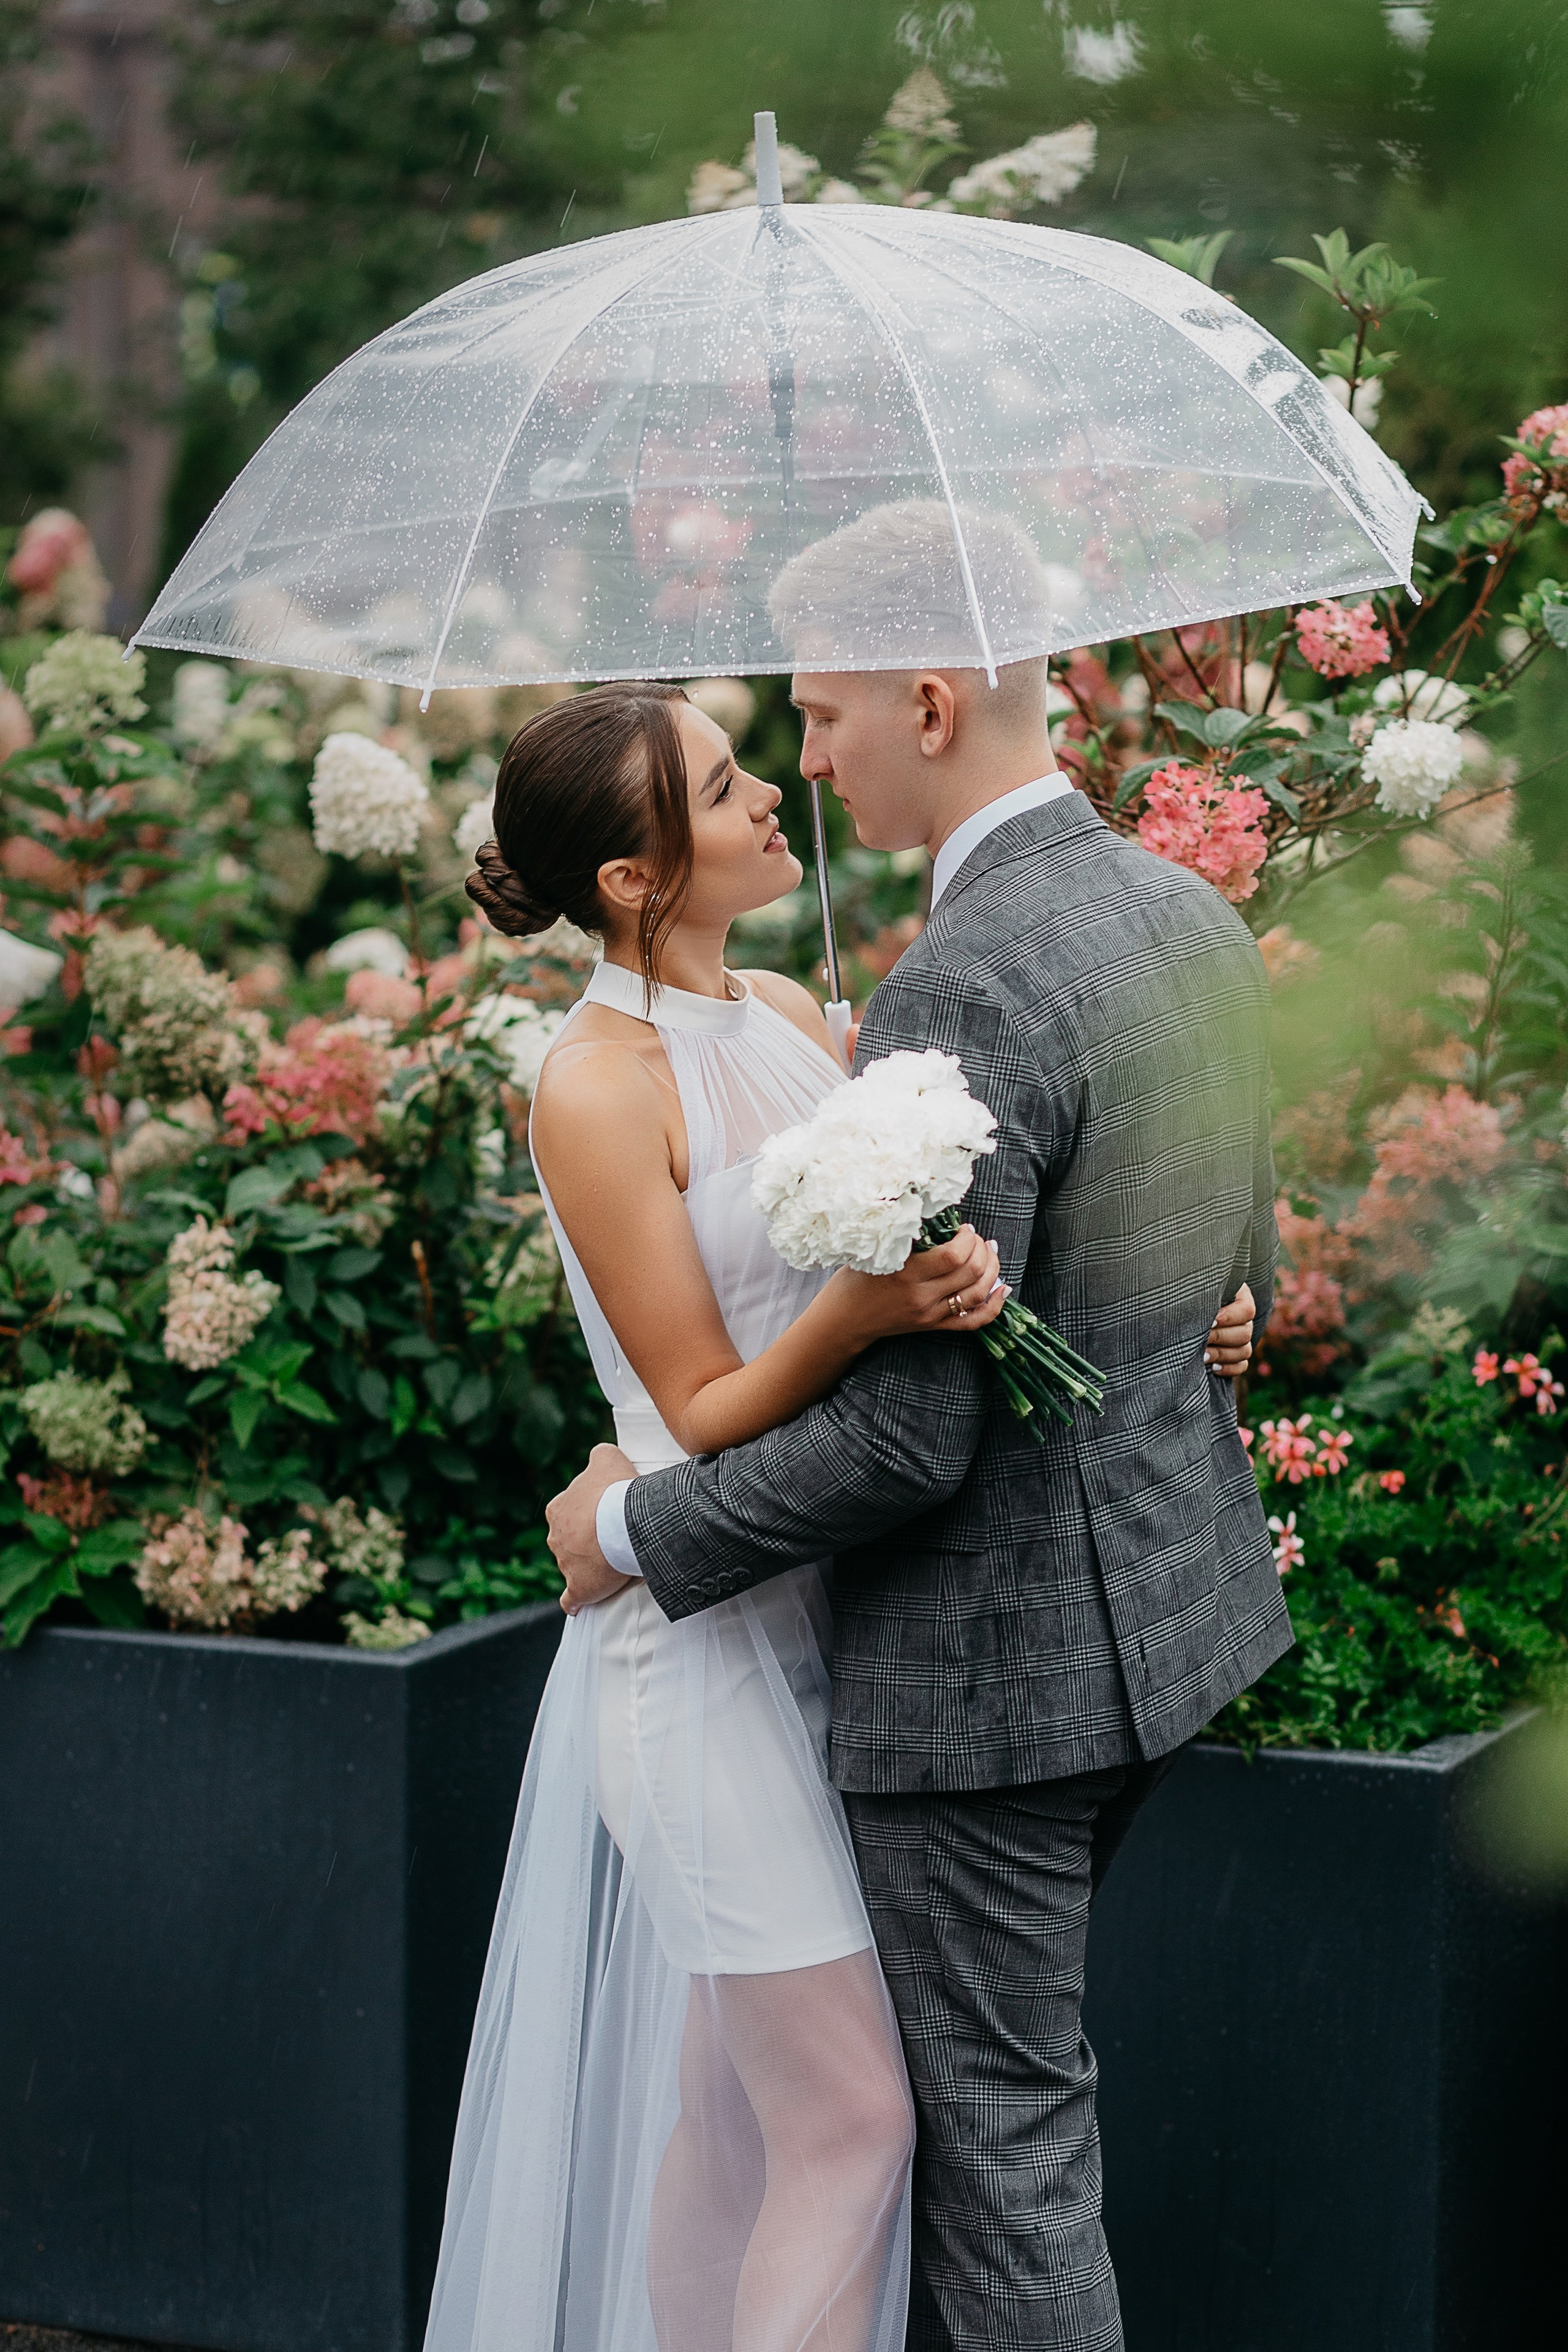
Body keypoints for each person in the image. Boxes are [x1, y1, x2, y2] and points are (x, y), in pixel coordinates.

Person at [544, 503, 1289, 2351]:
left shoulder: (959, 973)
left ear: (934, 702)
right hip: (1157, 1635)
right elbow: (1233, 1246)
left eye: (817, 715)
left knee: (999, 2154)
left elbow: (909, 1444)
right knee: (770, 2113)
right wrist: (1210, 1315)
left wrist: (630, 1532)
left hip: (987, 1681)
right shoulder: (1182, 909)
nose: (802, 758)